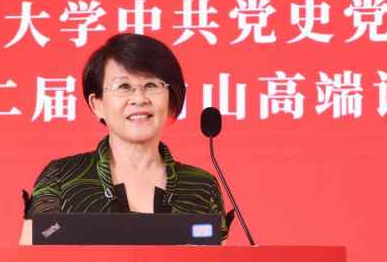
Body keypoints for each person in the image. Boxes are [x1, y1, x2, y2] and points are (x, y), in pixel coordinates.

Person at [19, 33, 229, 245]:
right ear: (97, 104)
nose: (139, 99)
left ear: (172, 103)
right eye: (123, 86)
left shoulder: (202, 187)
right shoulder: (62, 178)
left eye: (151, 85)